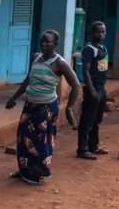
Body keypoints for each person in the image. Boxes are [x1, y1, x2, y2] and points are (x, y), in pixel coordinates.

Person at [6, 29, 80, 185]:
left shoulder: (59, 63)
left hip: (46, 108)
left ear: (56, 44)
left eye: (48, 42)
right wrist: (14, 97)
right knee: (24, 137)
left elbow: (76, 84)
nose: (44, 44)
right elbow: (28, 79)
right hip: (30, 105)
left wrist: (69, 108)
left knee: (42, 141)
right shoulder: (35, 57)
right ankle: (25, 169)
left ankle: (37, 174)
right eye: (42, 41)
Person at [78, 21, 109, 160]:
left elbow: (102, 69)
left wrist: (103, 89)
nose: (101, 34)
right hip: (93, 89)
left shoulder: (103, 48)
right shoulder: (89, 49)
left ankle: (93, 146)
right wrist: (92, 91)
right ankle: (82, 149)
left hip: (101, 88)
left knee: (97, 120)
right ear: (93, 33)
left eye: (103, 32)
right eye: (99, 32)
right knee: (87, 120)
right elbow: (86, 72)